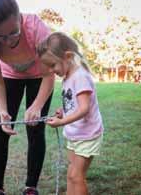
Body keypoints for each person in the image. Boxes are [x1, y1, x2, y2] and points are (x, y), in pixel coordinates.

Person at [0, 0, 54, 195]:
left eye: (13, 33)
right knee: (0, 129)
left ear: (19, 18)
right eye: (0, 37)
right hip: (8, 78)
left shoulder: (36, 28)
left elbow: (50, 75)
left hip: (38, 77)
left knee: (35, 128)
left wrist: (37, 106)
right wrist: (3, 112)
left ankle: (31, 187)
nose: (9, 41)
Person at [37, 32, 104, 195]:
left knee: (76, 175)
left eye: (53, 65)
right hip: (75, 134)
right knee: (71, 174)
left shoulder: (80, 76)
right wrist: (63, 111)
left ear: (67, 56)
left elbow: (84, 108)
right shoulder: (68, 76)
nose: (52, 71)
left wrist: (62, 122)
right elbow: (74, 103)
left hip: (87, 135)